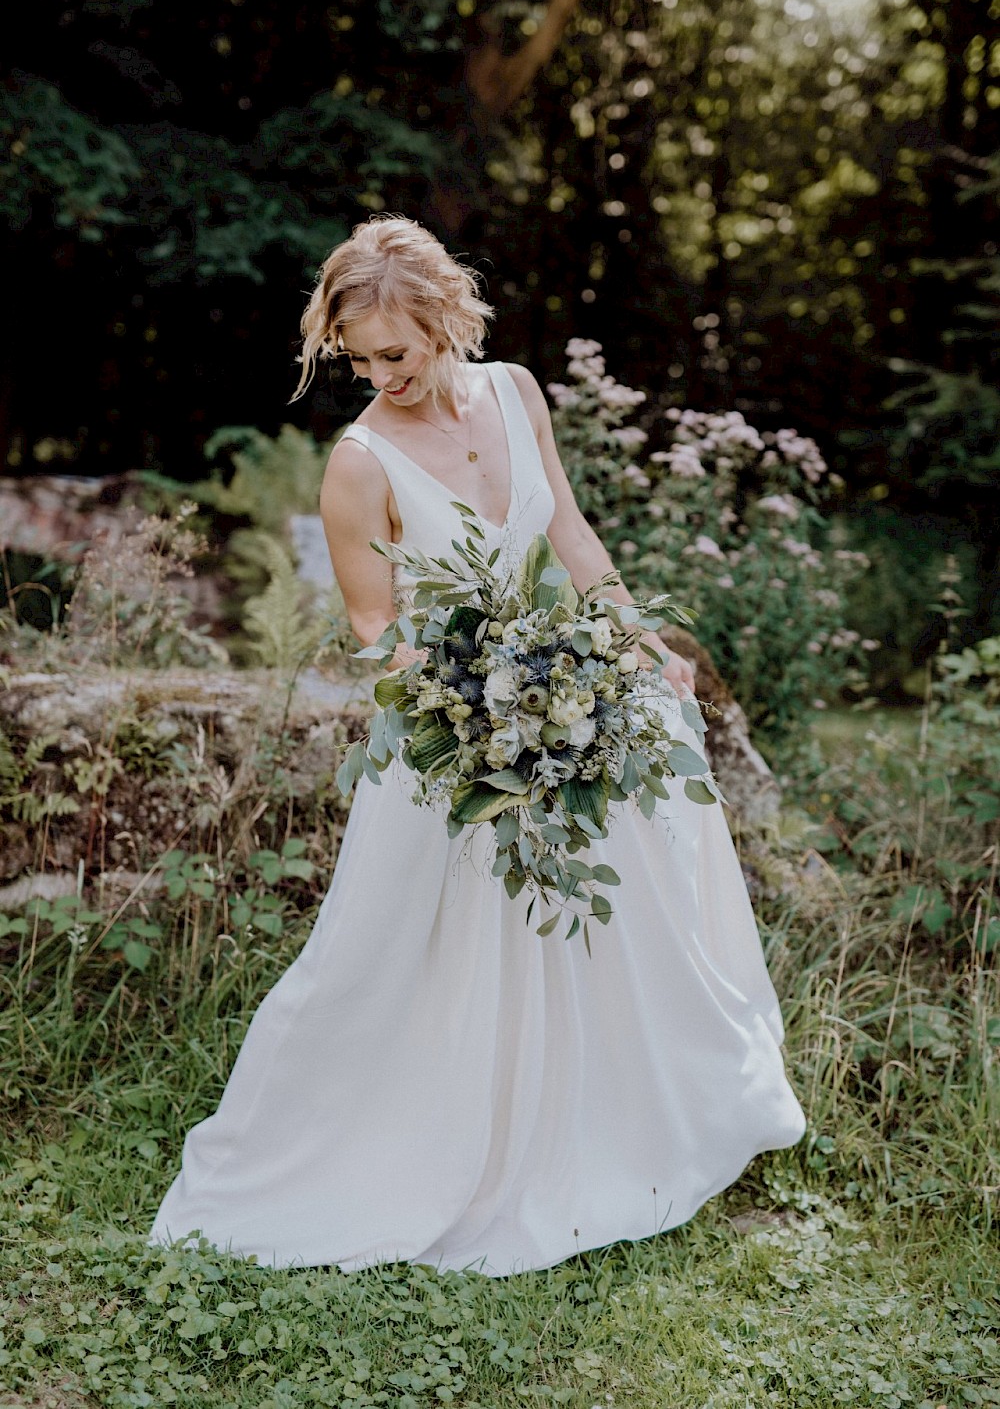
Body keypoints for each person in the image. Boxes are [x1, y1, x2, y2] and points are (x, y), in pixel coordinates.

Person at [150, 216, 805, 1276]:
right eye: (358, 359)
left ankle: (601, 1127)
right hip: (448, 741)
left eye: (395, 352)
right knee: (412, 961)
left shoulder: (516, 392)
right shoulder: (357, 464)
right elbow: (375, 631)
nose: (379, 374)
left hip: (557, 695)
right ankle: (417, 1141)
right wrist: (473, 704)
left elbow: (571, 534)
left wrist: (630, 639)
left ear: (448, 318)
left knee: (604, 901)